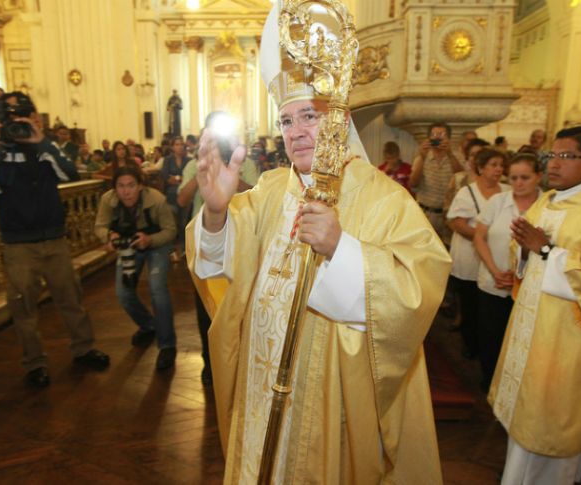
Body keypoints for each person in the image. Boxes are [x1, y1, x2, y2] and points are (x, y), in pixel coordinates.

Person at [186, 4, 451, 482]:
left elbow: (420, 290)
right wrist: (217, 211)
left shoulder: (381, 197)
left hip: (332, 400)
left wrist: (341, 249)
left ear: (340, 119)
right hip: (260, 387)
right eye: (287, 122)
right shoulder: (268, 192)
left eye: (310, 114)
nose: (298, 132)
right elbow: (218, 272)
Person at [0, 91, 110, 388]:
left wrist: (42, 142)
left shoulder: (44, 149)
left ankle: (83, 348)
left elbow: (70, 174)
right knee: (23, 308)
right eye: (13, 119)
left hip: (55, 239)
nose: (18, 124)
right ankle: (35, 363)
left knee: (71, 298)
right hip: (19, 245)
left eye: (24, 117)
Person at [488, 127, 581, 485]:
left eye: (566, 156)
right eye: (551, 155)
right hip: (532, 335)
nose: (554, 163)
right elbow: (524, 252)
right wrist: (524, 251)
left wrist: (545, 250)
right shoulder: (549, 199)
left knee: (551, 434)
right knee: (523, 427)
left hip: (566, 342)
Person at [177, 111, 258, 385]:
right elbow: (182, 199)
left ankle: (239, 364)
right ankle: (209, 364)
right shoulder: (193, 165)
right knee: (206, 307)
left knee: (238, 308)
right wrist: (204, 172)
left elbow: (256, 197)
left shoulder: (244, 163)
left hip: (240, 245)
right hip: (205, 246)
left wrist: (229, 174)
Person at [94, 164, 179, 369]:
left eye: (131, 185)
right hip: (128, 245)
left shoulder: (157, 199)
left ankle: (167, 345)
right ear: (115, 188)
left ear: (140, 186)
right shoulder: (108, 201)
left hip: (156, 243)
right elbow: (100, 226)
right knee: (123, 292)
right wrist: (109, 236)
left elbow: (170, 231)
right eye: (121, 186)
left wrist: (149, 240)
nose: (126, 191)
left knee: (157, 289)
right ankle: (148, 325)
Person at [472, 153, 542, 391]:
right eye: (513, 178)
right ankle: (490, 383)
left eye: (525, 177)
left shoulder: (548, 206)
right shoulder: (498, 202)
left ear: (538, 177)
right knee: (490, 337)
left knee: (522, 340)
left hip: (529, 288)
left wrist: (518, 277)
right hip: (493, 282)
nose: (518, 183)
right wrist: (495, 271)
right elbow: (479, 237)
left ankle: (516, 387)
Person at [447, 148, 509, 360]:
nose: (498, 169)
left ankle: (489, 348)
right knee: (471, 305)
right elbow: (457, 223)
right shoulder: (467, 193)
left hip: (497, 259)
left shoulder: (507, 191)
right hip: (470, 257)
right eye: (493, 164)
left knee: (490, 309)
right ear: (480, 168)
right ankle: (470, 343)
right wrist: (484, 237)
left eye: (501, 165)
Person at [409, 122, 465, 245]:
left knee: (448, 250)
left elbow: (462, 180)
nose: (438, 138)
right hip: (426, 214)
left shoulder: (457, 156)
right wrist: (422, 157)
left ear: (449, 139)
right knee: (425, 250)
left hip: (449, 215)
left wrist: (450, 155)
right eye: (434, 134)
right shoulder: (421, 157)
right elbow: (412, 183)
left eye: (442, 135)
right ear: (429, 138)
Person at [160, 136, 191, 261]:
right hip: (171, 194)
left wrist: (178, 179)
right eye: (176, 144)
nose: (179, 146)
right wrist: (179, 179)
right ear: (172, 147)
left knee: (184, 222)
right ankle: (172, 250)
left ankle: (185, 249)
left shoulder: (188, 160)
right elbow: (165, 176)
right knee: (172, 222)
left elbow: (188, 177)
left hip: (185, 194)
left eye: (181, 144)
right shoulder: (168, 160)